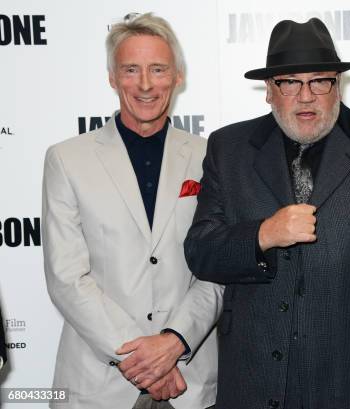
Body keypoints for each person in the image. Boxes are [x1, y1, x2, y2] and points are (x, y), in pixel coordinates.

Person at [184, 17, 350, 409]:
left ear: (338, 85)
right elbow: (201, 251)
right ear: (269, 90)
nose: (306, 96)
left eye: (320, 81)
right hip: (256, 378)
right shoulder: (227, 147)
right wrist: (262, 235)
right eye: (290, 82)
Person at [42, 13, 222, 409]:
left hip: (190, 384)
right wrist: (146, 361)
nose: (145, 84)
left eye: (158, 69)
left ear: (178, 76)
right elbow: (67, 277)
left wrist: (174, 343)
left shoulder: (212, 156)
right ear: (111, 77)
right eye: (130, 70)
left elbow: (219, 269)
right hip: (97, 387)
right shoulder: (66, 159)